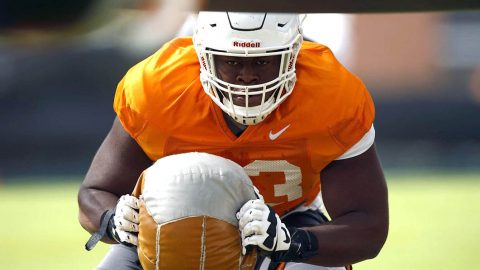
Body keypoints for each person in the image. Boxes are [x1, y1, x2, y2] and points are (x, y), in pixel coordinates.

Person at [78, 11, 389, 270]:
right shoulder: (158, 89)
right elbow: (95, 191)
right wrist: (113, 220)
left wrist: (291, 241)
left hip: (284, 222)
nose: (246, 76)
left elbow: (368, 225)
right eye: (232, 61)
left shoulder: (331, 96)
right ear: (203, 57)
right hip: (170, 228)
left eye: (262, 62)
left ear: (293, 55)